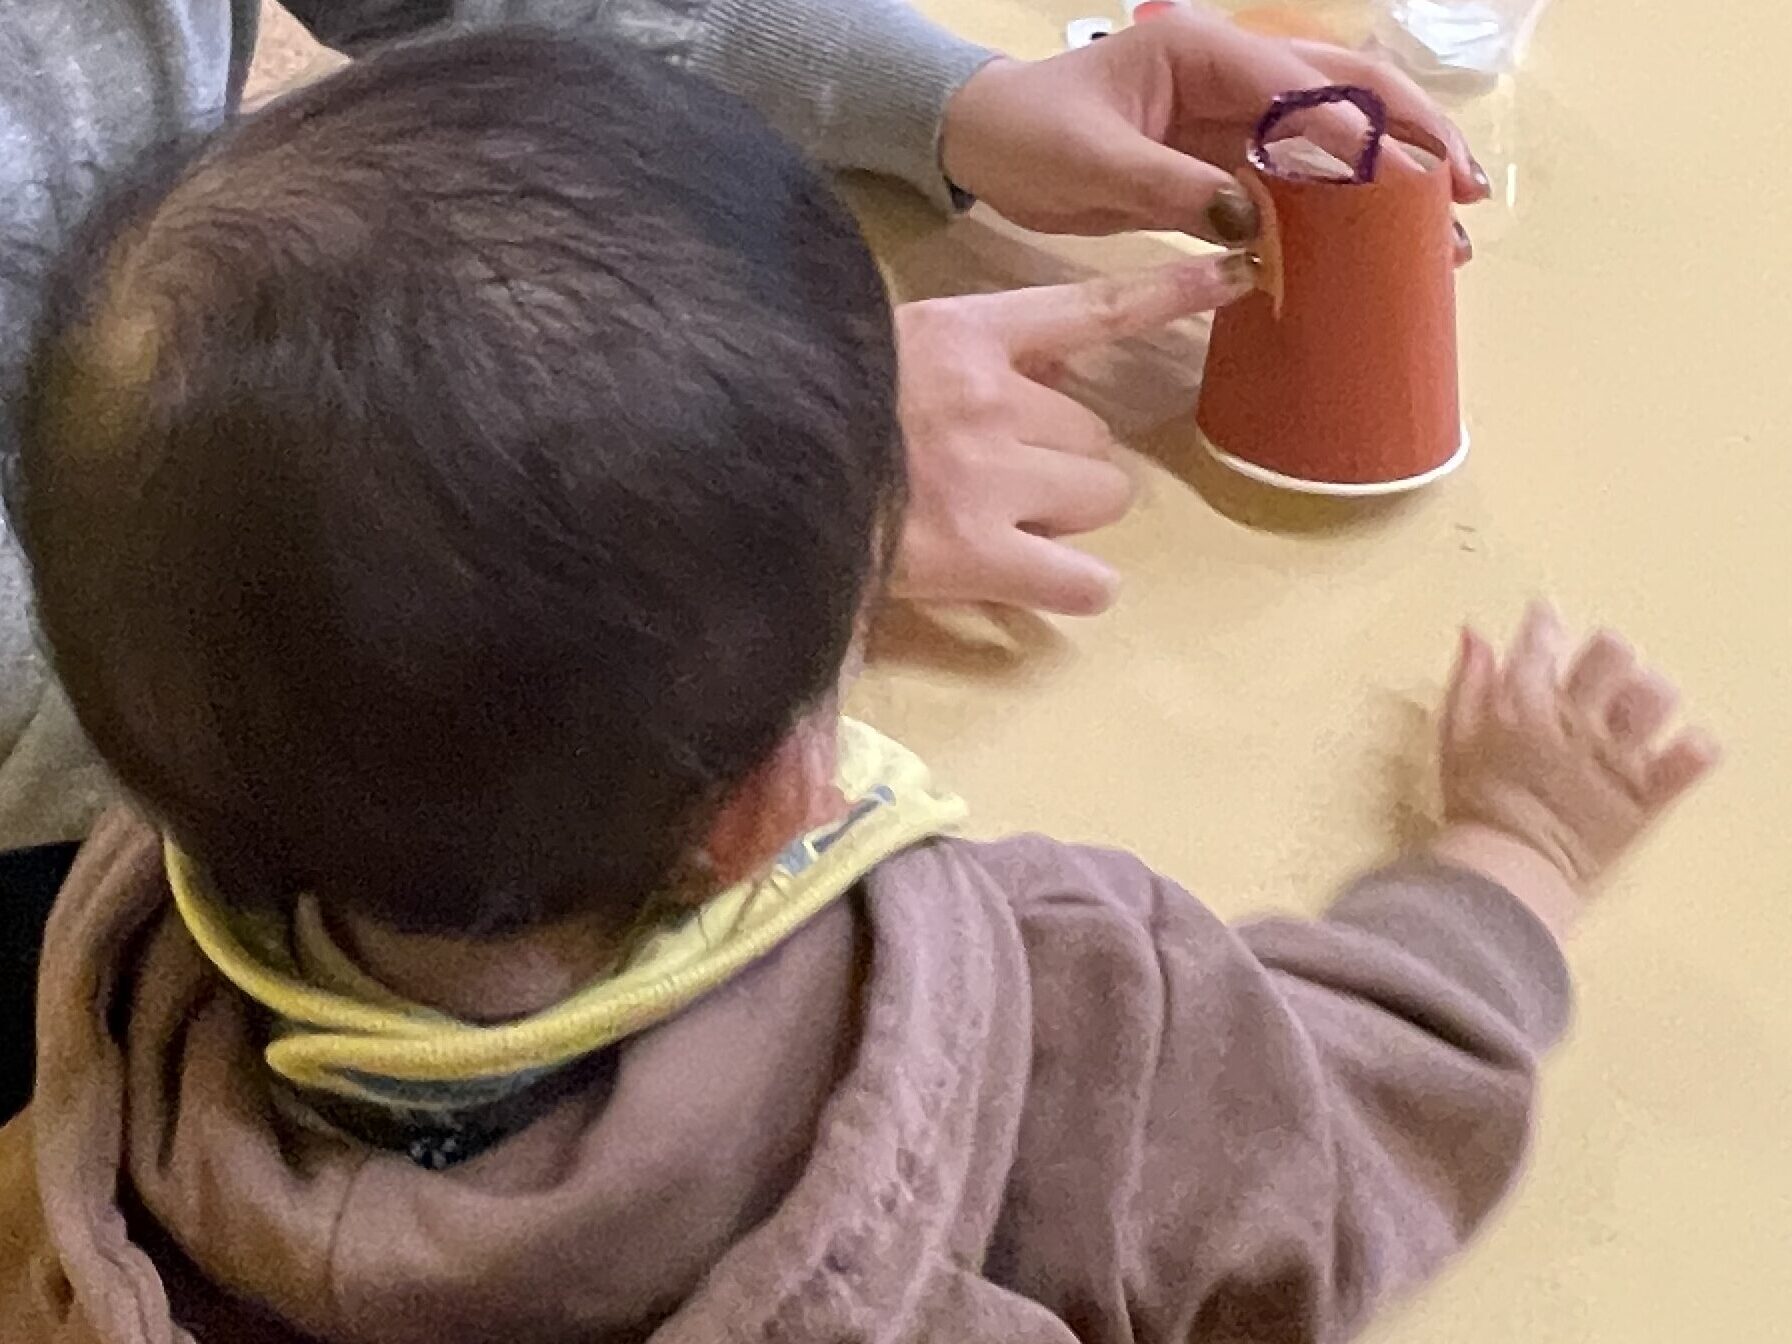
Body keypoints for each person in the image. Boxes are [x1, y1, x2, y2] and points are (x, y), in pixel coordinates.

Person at [0, 35, 1714, 1342]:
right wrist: (1515, 860)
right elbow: (1339, 1156)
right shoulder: (1029, 1019)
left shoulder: (103, 1048)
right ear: (772, 803)